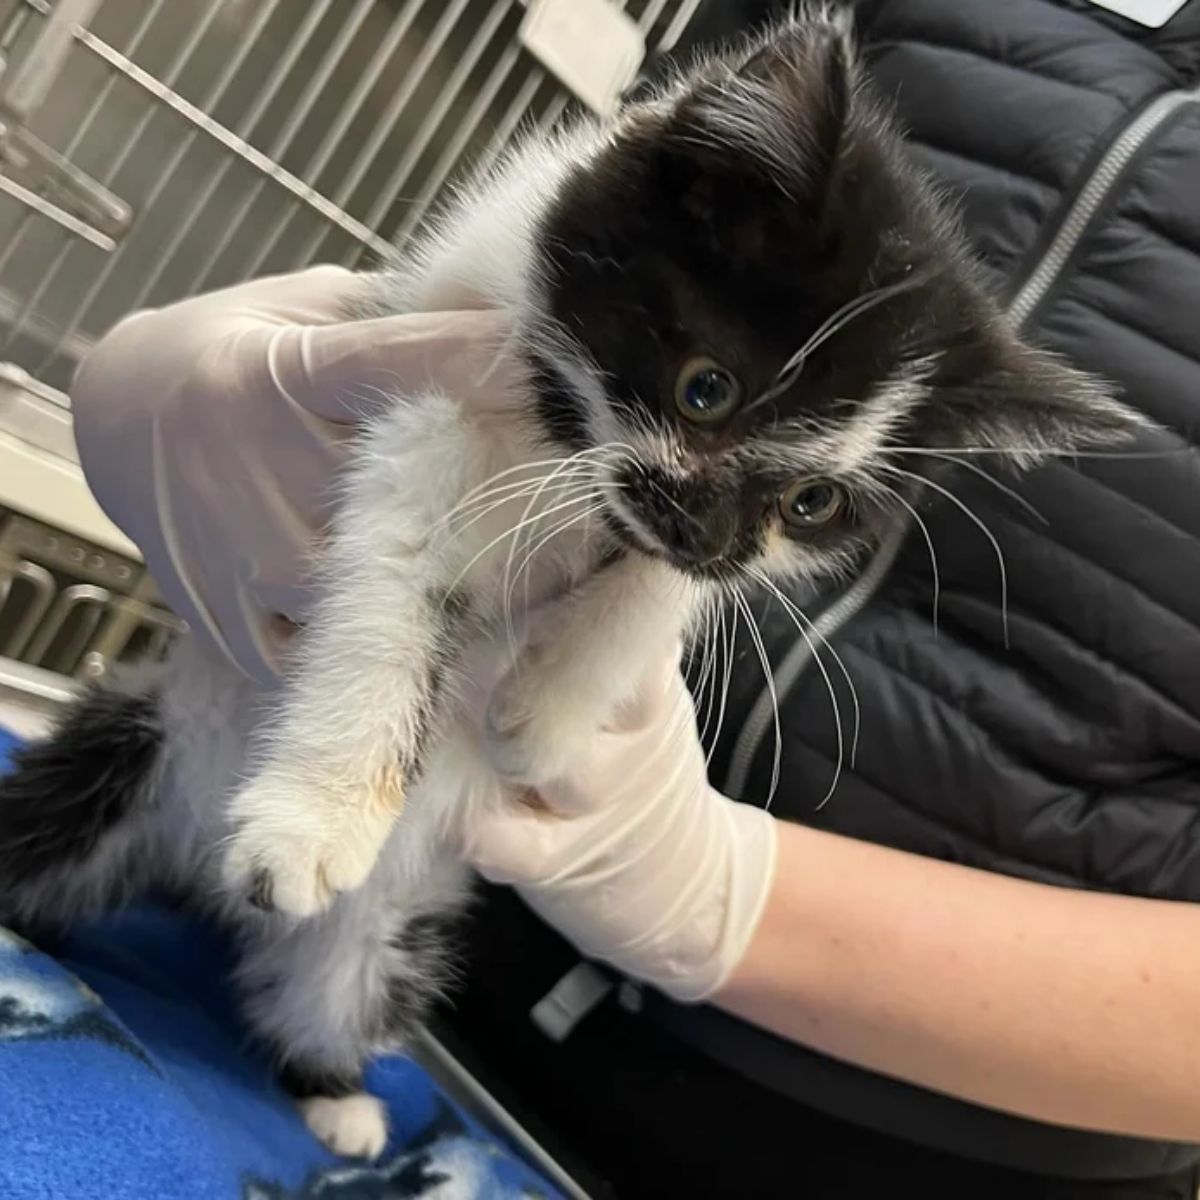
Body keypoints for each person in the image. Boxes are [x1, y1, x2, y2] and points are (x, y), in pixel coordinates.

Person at [66, 0, 1200, 1197]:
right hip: (467, 971)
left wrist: (719, 898)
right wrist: (177, 393)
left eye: (805, 511)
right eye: (708, 393)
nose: (716, 534)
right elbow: (588, 232)